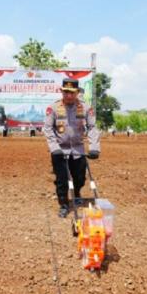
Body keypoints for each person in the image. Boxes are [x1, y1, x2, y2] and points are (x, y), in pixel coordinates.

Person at [44, 78, 100, 218]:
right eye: (66, 92)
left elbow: (92, 127)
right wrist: (54, 147)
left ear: (77, 93)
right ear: (62, 92)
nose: (69, 95)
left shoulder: (86, 108)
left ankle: (76, 193)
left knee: (79, 177)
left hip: (78, 149)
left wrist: (94, 148)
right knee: (62, 179)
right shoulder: (54, 108)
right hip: (59, 150)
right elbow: (48, 128)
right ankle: (63, 204)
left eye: (72, 92)